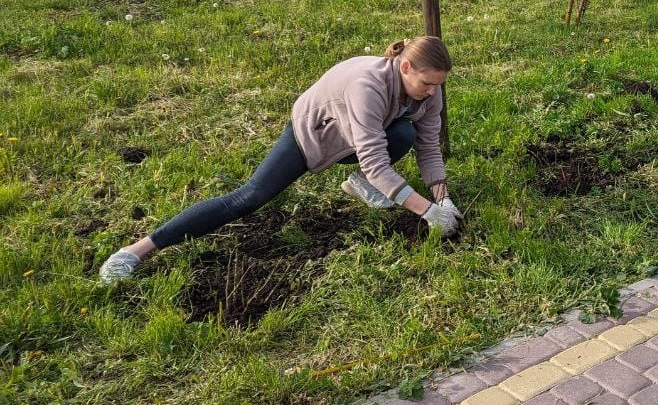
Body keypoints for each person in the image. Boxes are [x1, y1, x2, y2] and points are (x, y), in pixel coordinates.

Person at [98, 38, 464, 282]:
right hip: (314, 136)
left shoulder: (429, 93)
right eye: (427, 83)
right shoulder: (366, 85)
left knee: (405, 134)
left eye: (438, 85)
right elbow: (372, 158)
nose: (433, 92)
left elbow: (428, 146)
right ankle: (137, 250)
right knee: (249, 197)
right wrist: (426, 211)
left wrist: (442, 197)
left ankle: (363, 186)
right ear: (405, 67)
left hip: (363, 134)